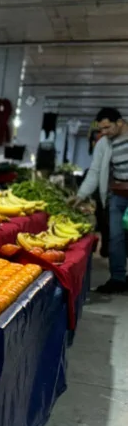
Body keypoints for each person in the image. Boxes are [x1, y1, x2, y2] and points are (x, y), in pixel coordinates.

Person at [74, 107, 128, 293]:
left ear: (120, 123)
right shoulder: (103, 144)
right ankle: (118, 279)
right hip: (117, 196)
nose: (104, 132)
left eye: (107, 128)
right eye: (101, 129)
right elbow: (95, 172)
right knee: (115, 238)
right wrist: (81, 195)